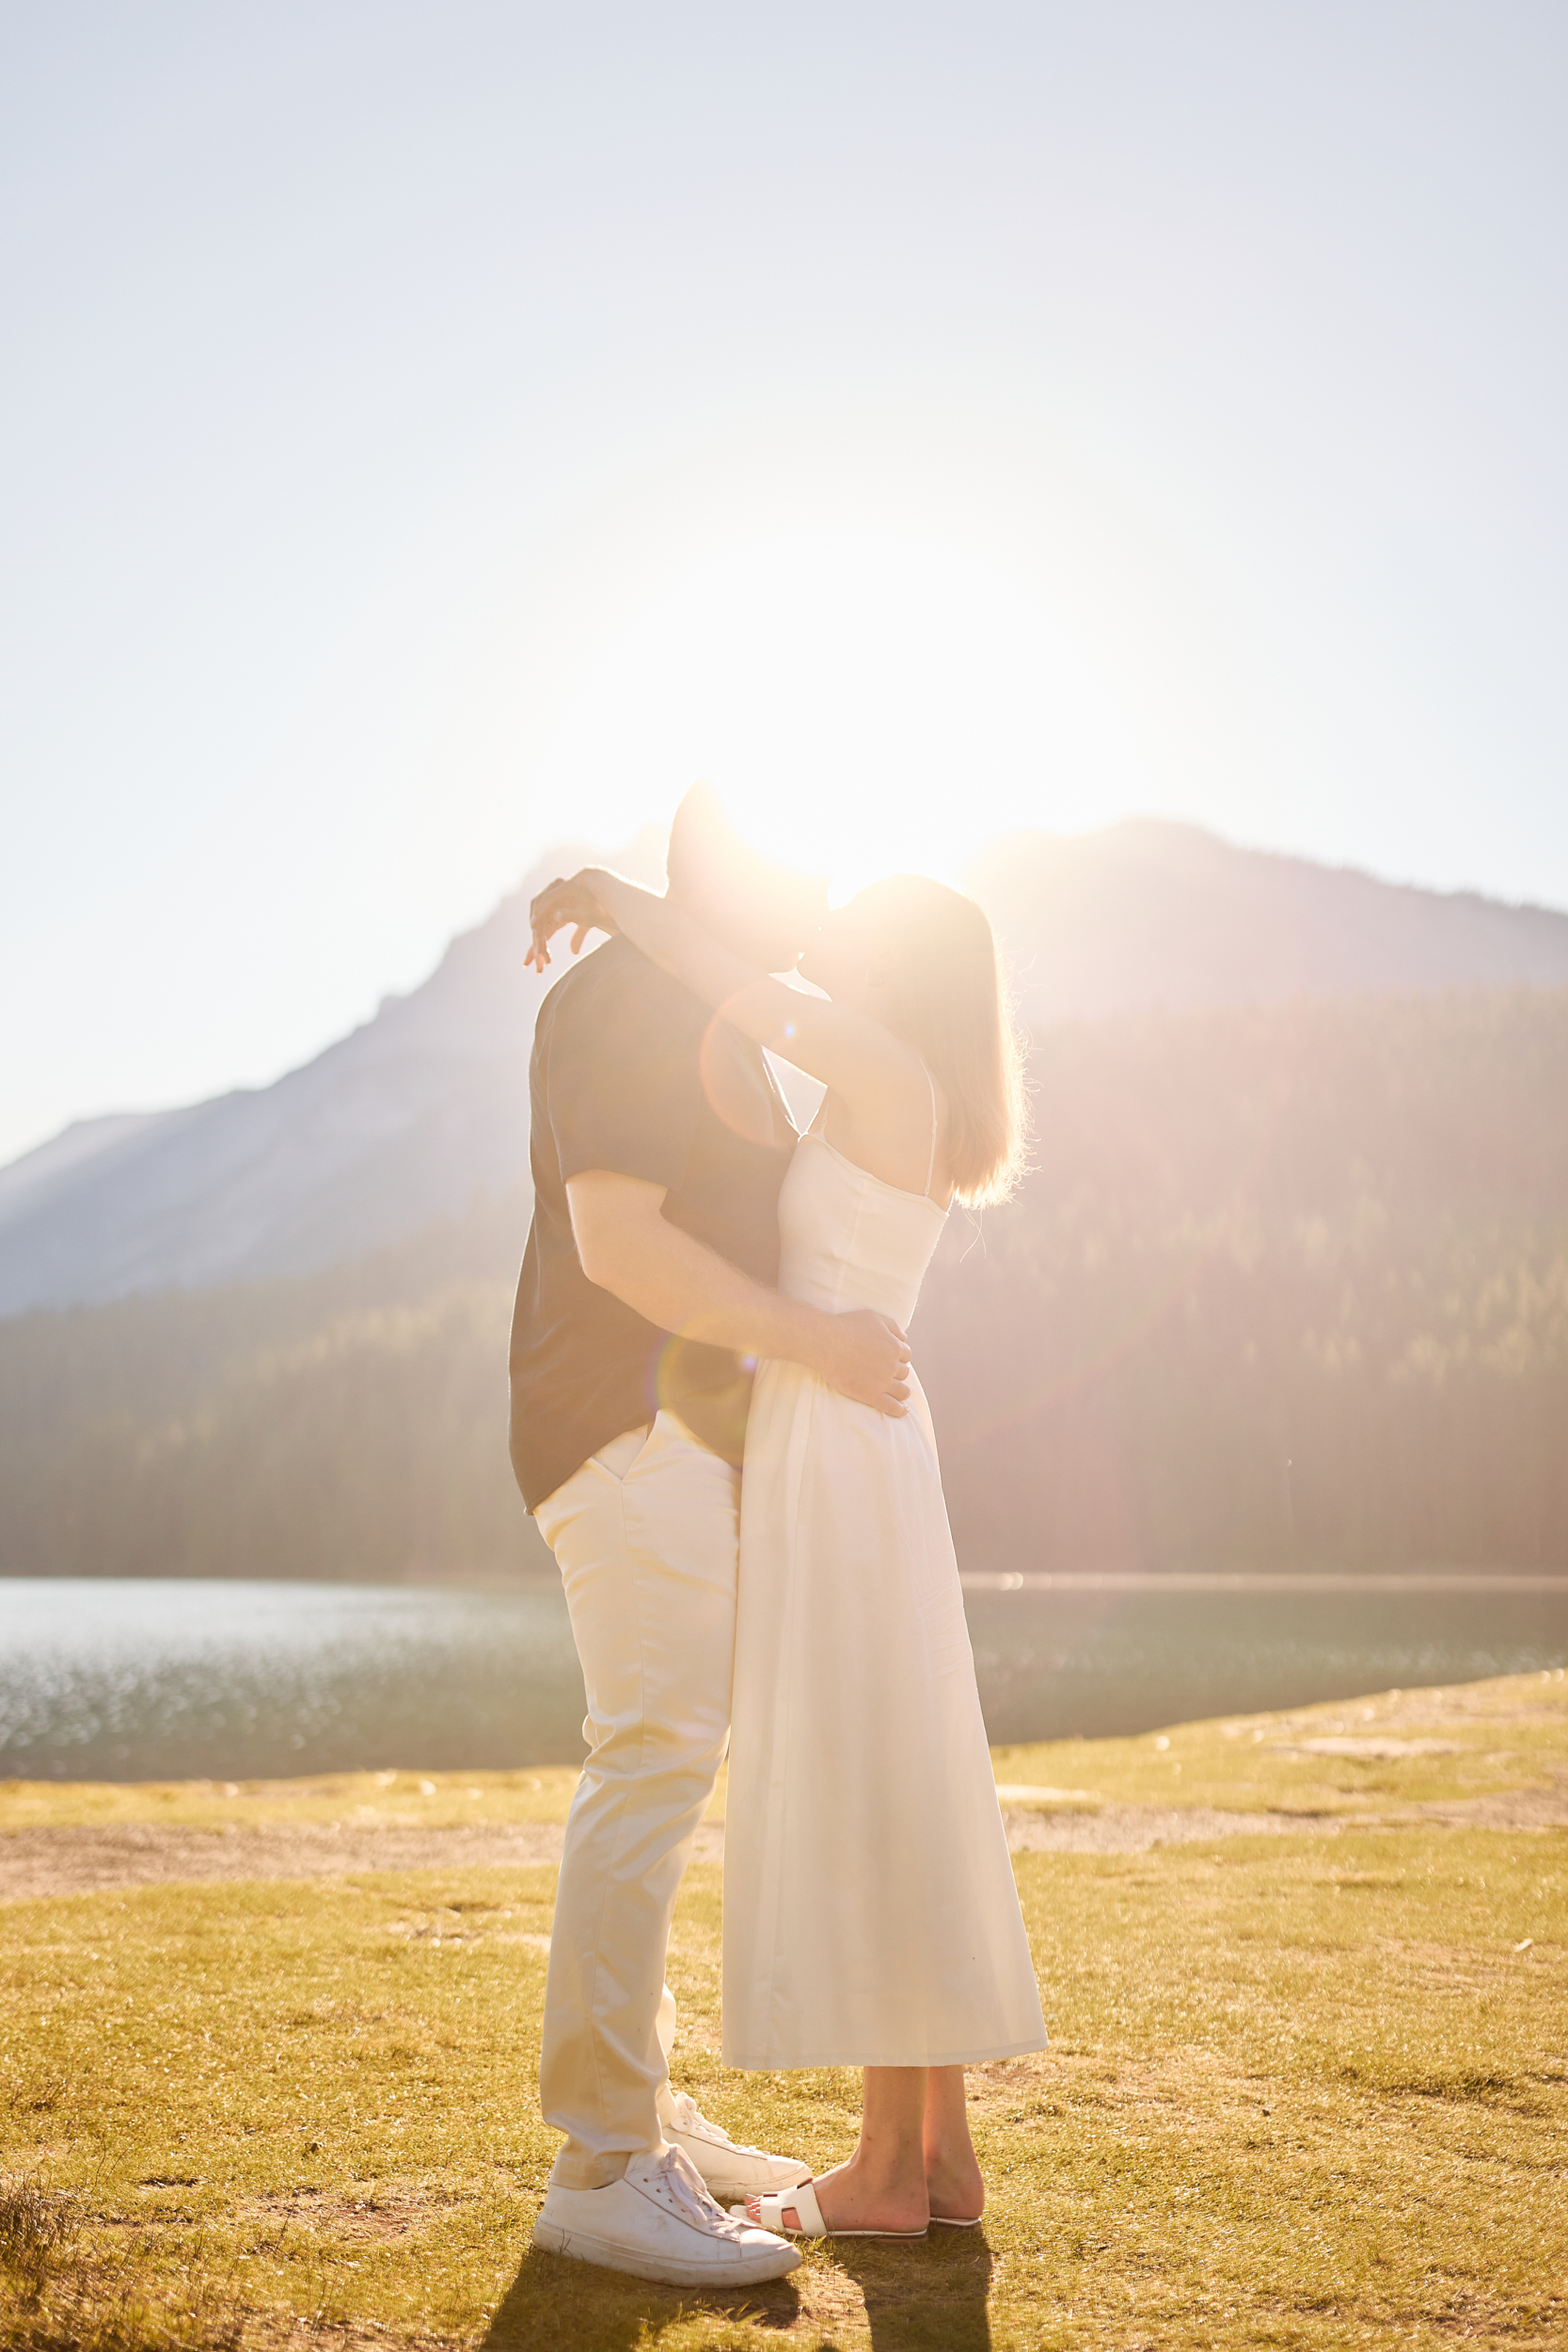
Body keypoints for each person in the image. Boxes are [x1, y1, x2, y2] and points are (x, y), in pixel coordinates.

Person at [529, 826, 1048, 2246]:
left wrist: (608, 893)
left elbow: (719, 978)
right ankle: (934, 2161)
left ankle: (888, 2173)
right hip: (849, 1435)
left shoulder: (882, 1073)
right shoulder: (901, 1083)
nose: (830, 932)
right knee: (903, 1776)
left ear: (908, 971)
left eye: (859, 926)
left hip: (839, 1439)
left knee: (883, 1791)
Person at [509, 788, 914, 2288]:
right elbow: (619, 1244)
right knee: (654, 1755)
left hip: (675, 1442)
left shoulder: (710, 1009)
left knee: (671, 1761)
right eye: (800, 860)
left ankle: (643, 2111)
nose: (824, 883)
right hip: (623, 1427)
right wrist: (816, 1340)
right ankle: (605, 2164)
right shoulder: (623, 1001)